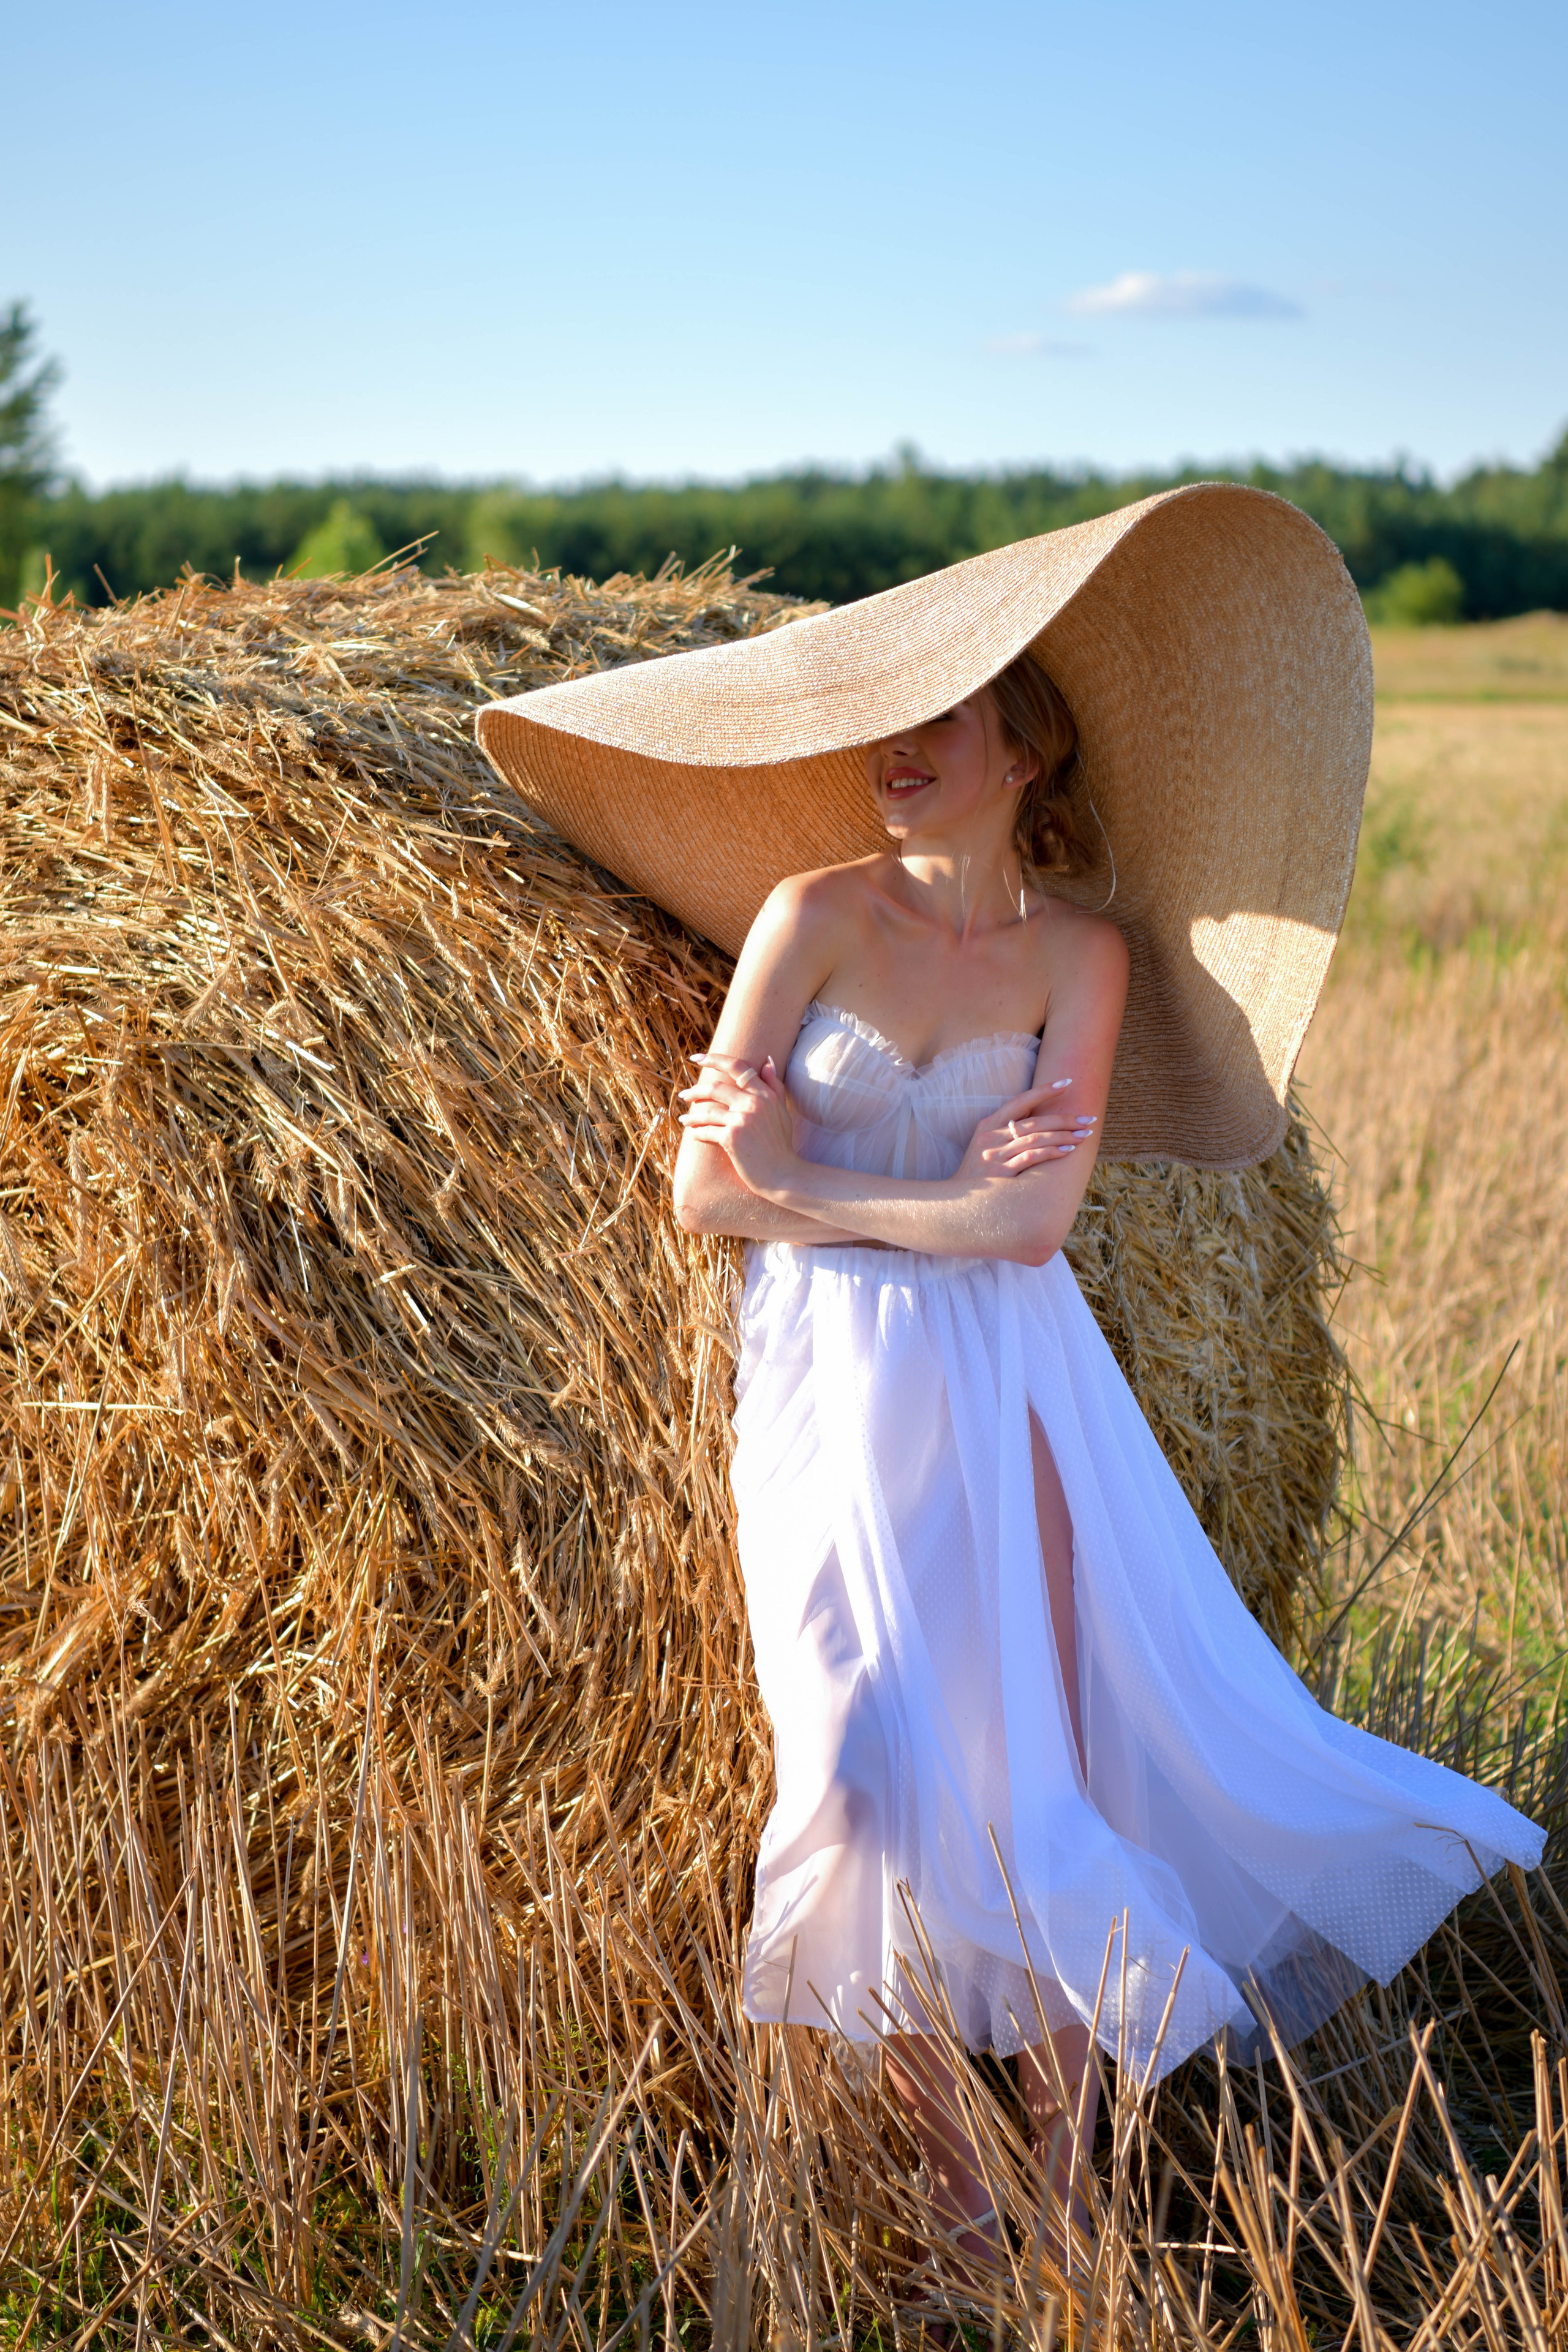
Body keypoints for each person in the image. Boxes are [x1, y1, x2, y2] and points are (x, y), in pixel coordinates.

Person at [477, 485, 1544, 2275]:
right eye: (884, 725)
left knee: (1031, 1769)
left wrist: (826, 1190)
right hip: (822, 1394)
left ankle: (1054, 2186)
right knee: (854, 1770)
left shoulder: (1078, 959)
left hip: (1013, 1395)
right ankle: (950, 2168)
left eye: (939, 722)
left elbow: (1033, 1231)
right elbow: (702, 1190)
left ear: (1023, 749)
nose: (898, 752)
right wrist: (920, 1202)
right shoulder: (809, 912)